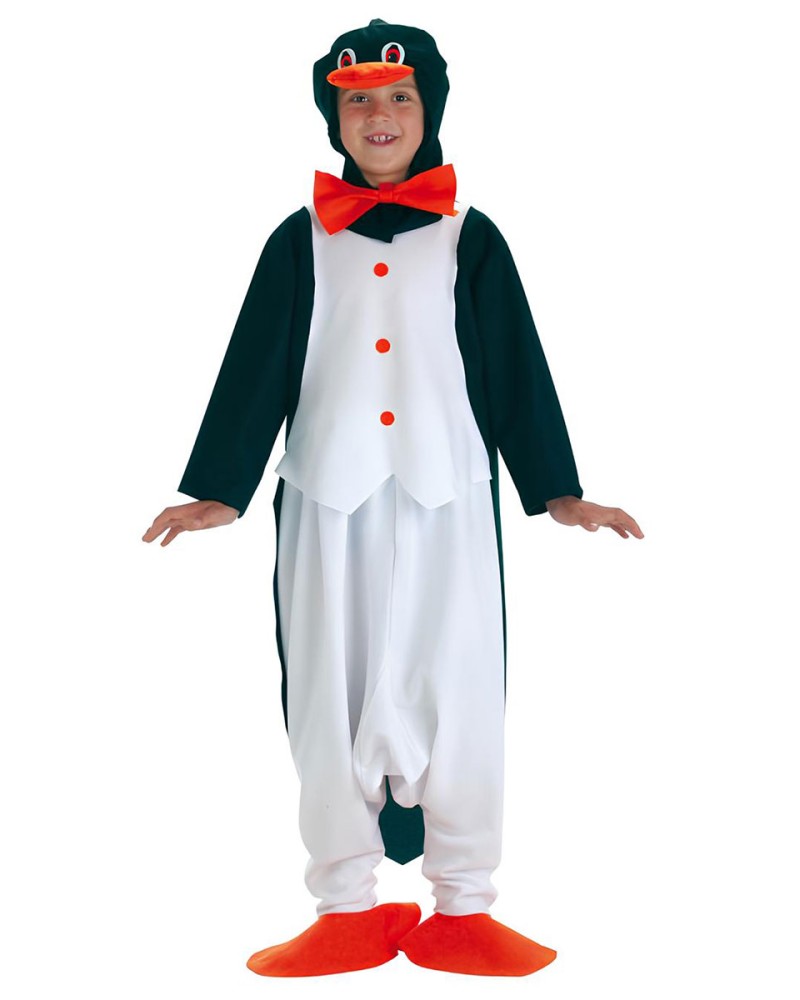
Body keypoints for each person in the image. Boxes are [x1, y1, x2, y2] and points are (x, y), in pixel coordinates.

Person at [142, 19, 643, 978]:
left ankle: (465, 904)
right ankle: (345, 905)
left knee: (461, 688)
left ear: (430, 110)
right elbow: (258, 365)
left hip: (449, 499)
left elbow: (515, 366)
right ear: (334, 117)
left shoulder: (470, 238)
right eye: (359, 99)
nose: (380, 114)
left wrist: (558, 490)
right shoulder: (300, 241)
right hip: (325, 505)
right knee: (324, 692)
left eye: (400, 97)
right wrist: (217, 488)